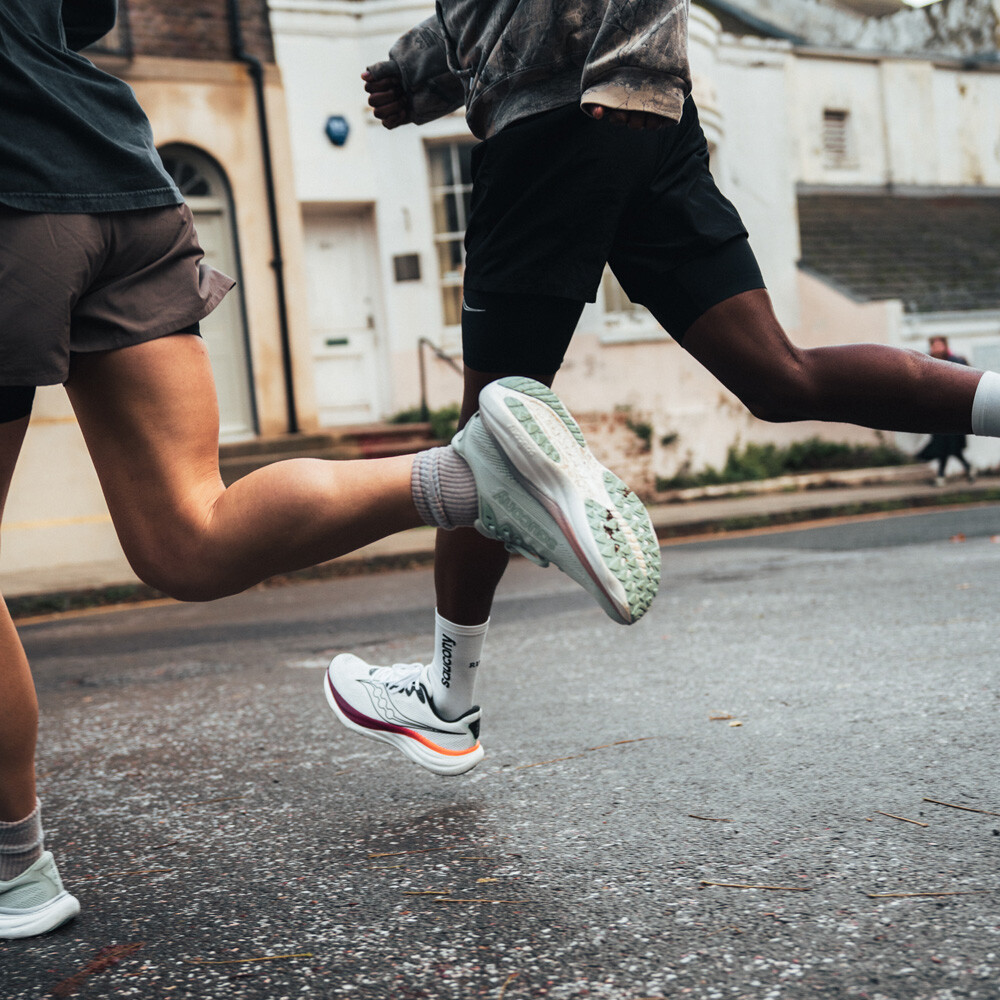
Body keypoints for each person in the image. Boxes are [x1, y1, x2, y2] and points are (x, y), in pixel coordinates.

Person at [0, 0, 660, 938]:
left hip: (12, 197)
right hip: (118, 173)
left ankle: (15, 872)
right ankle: (470, 477)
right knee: (188, 535)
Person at [325, 0, 1000, 773]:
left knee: (488, 441)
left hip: (559, 118)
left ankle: (446, 706)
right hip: (648, 129)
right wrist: (416, 74)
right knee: (781, 376)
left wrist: (637, 57)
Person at [917, 337, 976, 485]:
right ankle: (965, 469)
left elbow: (966, 383)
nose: (936, 349)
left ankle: (942, 476)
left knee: (949, 446)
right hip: (937, 413)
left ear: (945, 346)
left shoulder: (957, 362)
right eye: (934, 346)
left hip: (954, 412)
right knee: (944, 446)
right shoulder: (926, 363)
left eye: (939, 345)